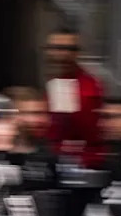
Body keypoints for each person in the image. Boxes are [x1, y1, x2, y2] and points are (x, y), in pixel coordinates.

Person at [44, 27, 104, 169]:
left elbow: (67, 129)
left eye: (70, 49)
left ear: (77, 53)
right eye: (57, 48)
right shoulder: (53, 80)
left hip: (80, 163)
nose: (63, 54)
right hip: (56, 161)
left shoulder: (86, 86)